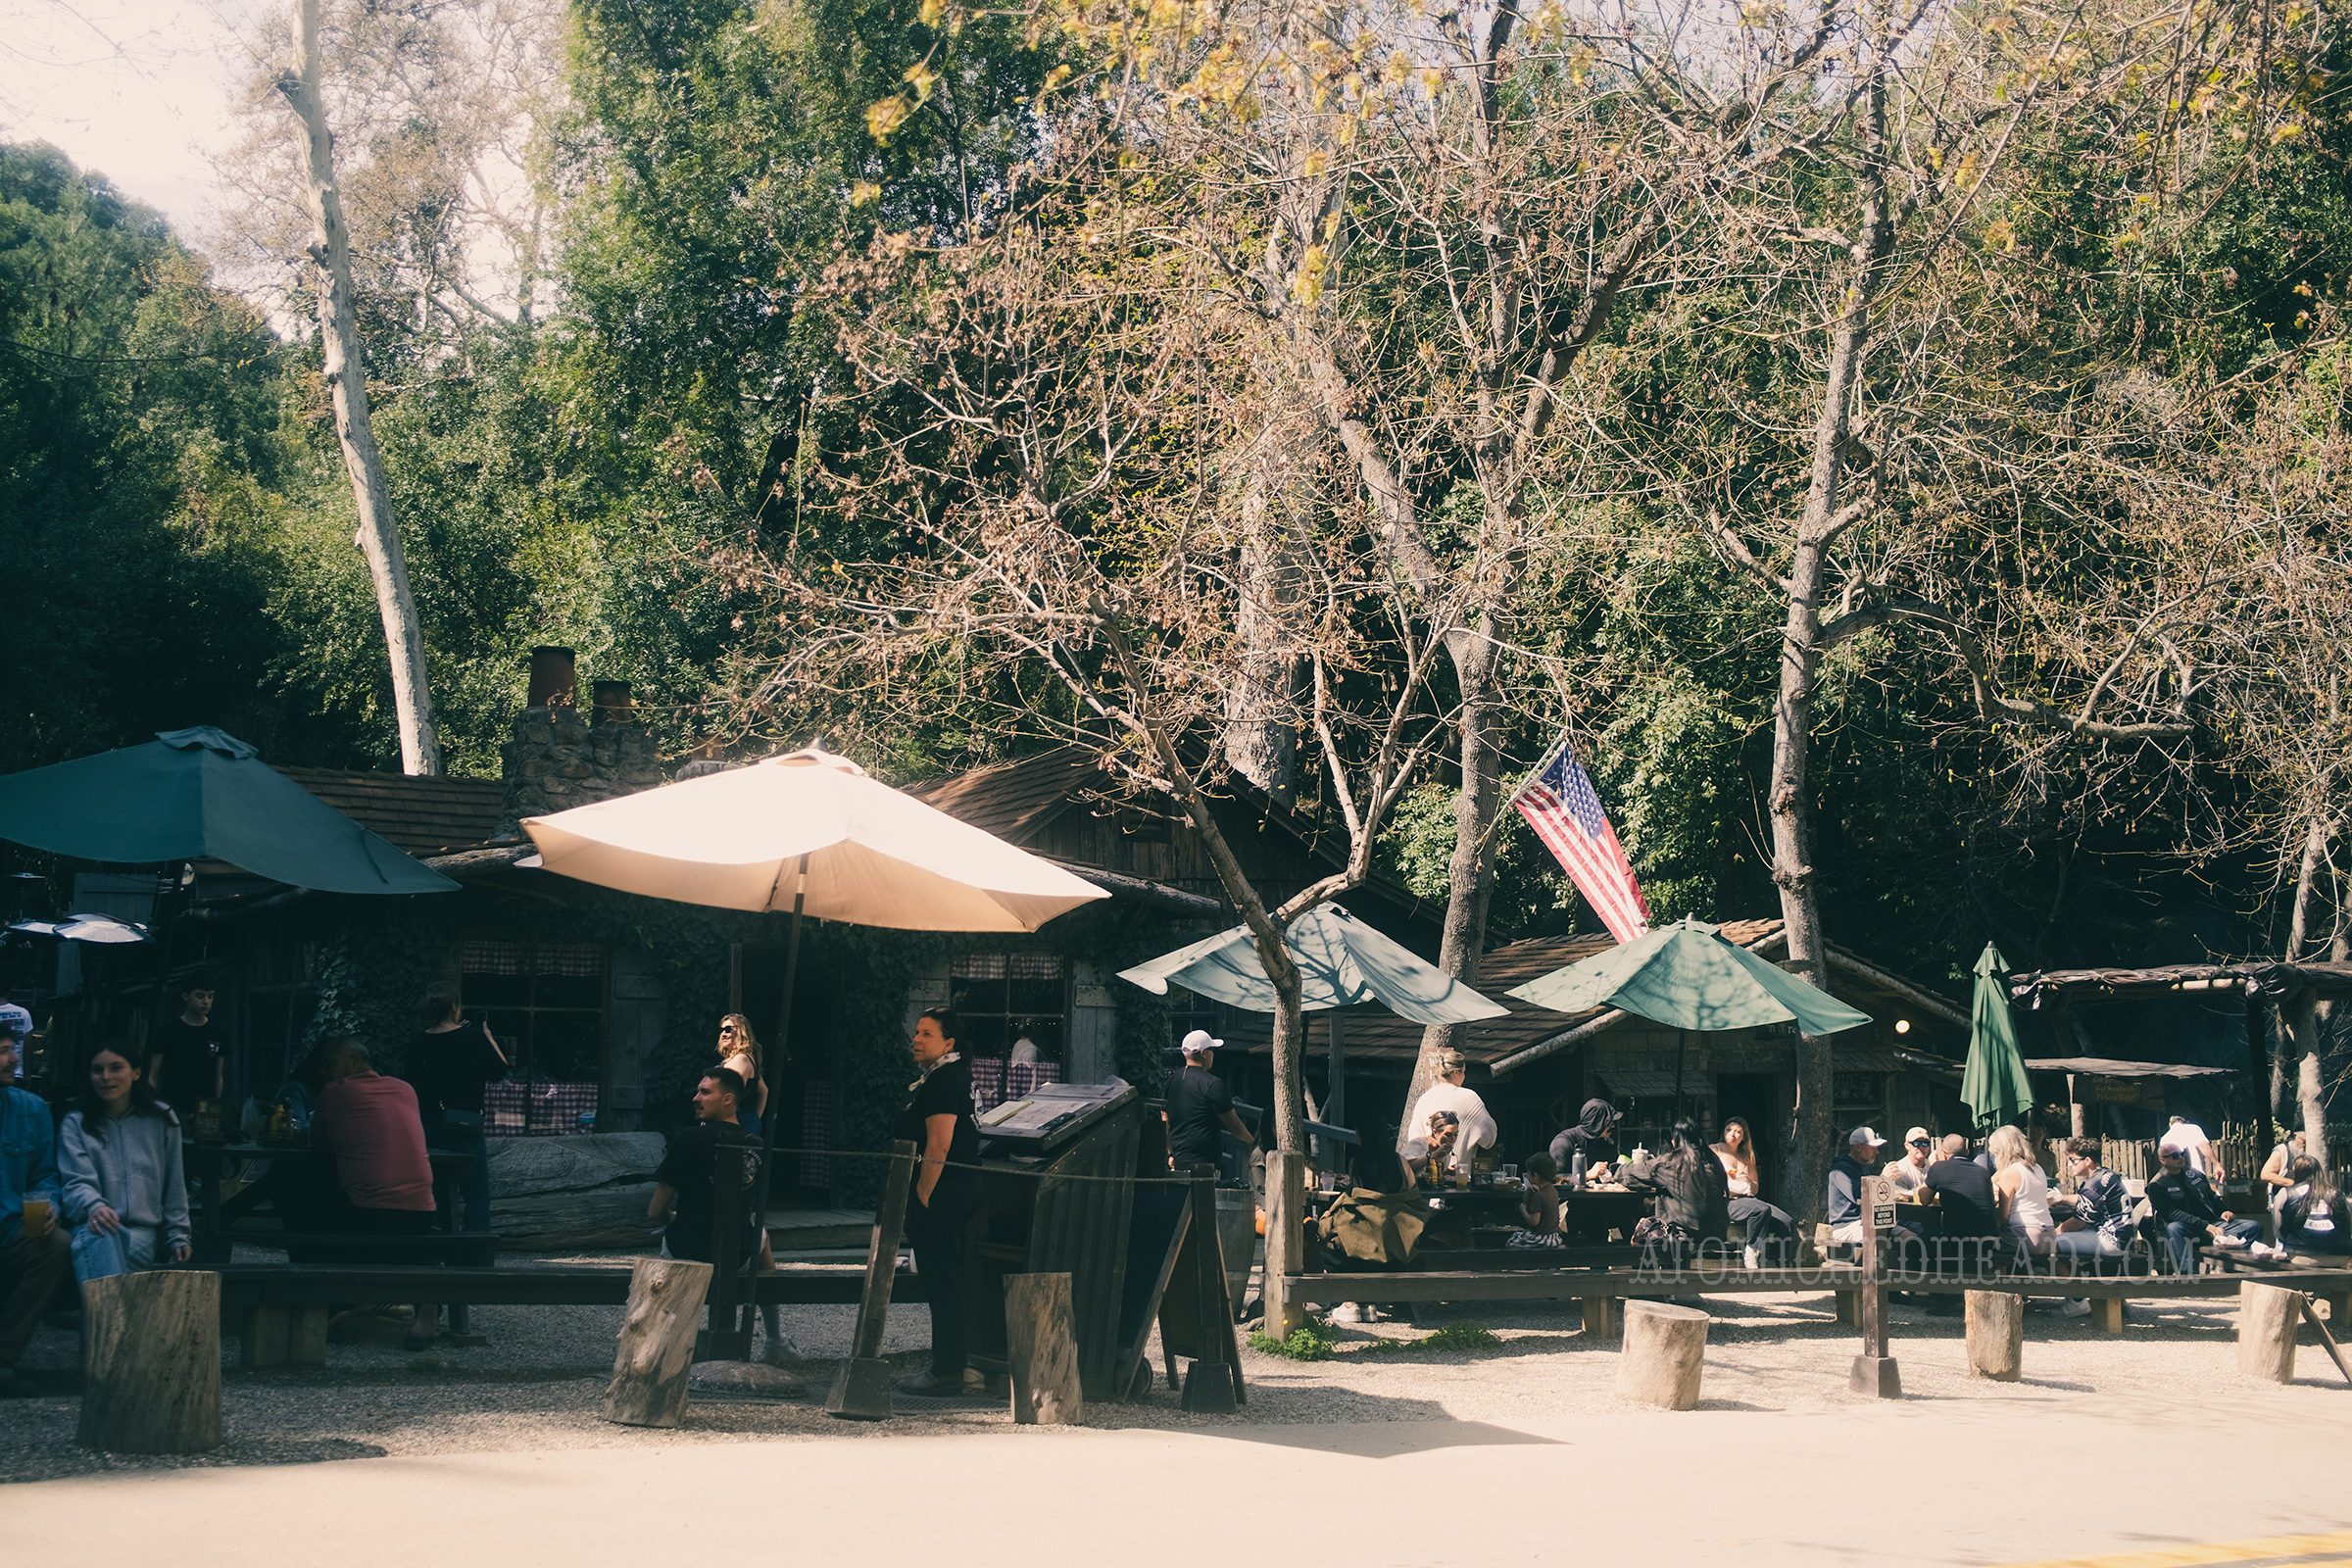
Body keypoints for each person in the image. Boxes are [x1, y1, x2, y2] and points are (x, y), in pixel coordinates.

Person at [310, 1038, 440, 1348]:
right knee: (402, 1232)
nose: (322, 1071)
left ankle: (333, 1303)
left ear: (354, 1062)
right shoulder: (405, 1089)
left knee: (309, 1206)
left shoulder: (334, 1092)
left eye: (329, 1063)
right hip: (423, 1209)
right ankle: (426, 1309)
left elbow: (318, 1147)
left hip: (367, 1212)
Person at [409, 988, 508, 1340]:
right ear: (454, 1007)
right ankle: (474, 1260)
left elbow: (410, 1083)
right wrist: (488, 1037)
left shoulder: (418, 1042)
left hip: (430, 1128)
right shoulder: (471, 1037)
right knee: (477, 1194)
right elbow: (500, 1071)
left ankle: (434, 1260)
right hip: (465, 1126)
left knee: (430, 1195)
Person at [894, 1009, 984, 1395]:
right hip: (955, 1188)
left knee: (942, 1280)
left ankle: (947, 1370)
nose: (917, 1039)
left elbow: (939, 1143)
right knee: (944, 1278)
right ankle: (951, 1364)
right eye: (916, 1032)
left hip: (944, 1191)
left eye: (927, 1034)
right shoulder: (945, 1076)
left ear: (948, 1043)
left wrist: (923, 1196)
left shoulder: (945, 1079)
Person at [58, 1043, 191, 1284]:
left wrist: (178, 1235)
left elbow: (175, 1181)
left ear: (136, 1073)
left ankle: (100, 1318)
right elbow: (75, 1181)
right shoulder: (76, 1123)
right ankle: (112, 1321)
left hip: (139, 1232)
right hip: (88, 1225)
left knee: (96, 1250)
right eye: (97, 1070)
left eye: (116, 1068)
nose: (106, 1077)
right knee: (99, 1236)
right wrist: (94, 1207)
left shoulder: (162, 1119)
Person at [0, 1029, 70, 1396]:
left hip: (11, 1230)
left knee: (56, 1243)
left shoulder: (33, 1109)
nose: (14, 1058)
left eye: (12, 1050)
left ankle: (3, 1360)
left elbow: (45, 1174)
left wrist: (50, 1206)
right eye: (2, 1052)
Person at [2144, 1142, 2257, 1273]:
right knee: (2173, 1228)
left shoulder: (2194, 1174)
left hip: (2212, 1223)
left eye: (2182, 1154)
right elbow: (2171, 1214)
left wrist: (2223, 1210)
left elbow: (2212, 1196)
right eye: (2175, 1156)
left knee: (2253, 1227)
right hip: (2189, 1229)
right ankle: (2189, 1274)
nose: (2181, 1158)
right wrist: (2204, 1225)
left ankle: (2235, 1268)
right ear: (2163, 1160)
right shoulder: (2157, 1184)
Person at [2049, 1138, 2132, 1314]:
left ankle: (2077, 1301)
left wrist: (2052, 1233)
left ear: (2087, 1161)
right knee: (2063, 1245)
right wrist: (2061, 1198)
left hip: (2110, 1240)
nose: (2070, 1164)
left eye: (2073, 1160)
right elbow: (2084, 1200)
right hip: (2120, 1236)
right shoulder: (2105, 1175)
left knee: (2050, 1244)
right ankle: (2080, 1294)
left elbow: (2077, 1223)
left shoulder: (2092, 1185)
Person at [1622, 1117, 1731, 1250]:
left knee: (1644, 1228)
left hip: (1686, 1234)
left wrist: (1612, 1169)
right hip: (1718, 1232)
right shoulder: (1714, 1161)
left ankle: (1647, 1269)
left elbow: (1630, 1173)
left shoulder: (1672, 1163)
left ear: (1674, 1142)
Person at [1164, 1030, 1254, 1176]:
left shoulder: (1171, 1082)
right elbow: (1233, 1124)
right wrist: (1252, 1142)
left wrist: (1170, 1153)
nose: (1214, 1055)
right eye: (1212, 1050)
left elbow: (1165, 1120)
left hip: (1178, 1160)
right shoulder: (1213, 1084)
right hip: (1205, 1163)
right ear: (1204, 1053)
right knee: (1203, 1199)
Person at [1401, 1048, 1498, 1182]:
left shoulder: (1425, 1098)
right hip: (1460, 1177)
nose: (1464, 1077)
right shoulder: (1469, 1097)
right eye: (1463, 1072)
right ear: (1456, 1072)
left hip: (1426, 1179)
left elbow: (1414, 1138)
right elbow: (1489, 1138)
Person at [1713, 1116, 1793, 1267]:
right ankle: (1752, 1249)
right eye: (1729, 1130)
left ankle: (1781, 1264)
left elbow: (1754, 1188)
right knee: (1760, 1209)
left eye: (1738, 1132)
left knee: (1786, 1221)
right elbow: (1711, 1181)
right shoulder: (1714, 1150)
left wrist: (1741, 1181)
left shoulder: (1747, 1156)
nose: (1732, 1134)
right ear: (1723, 1131)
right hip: (1726, 1201)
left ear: (1744, 1137)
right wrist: (1732, 1181)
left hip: (1748, 1200)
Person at [152, 972, 227, 1102]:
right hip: (173, 1108)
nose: (206, 1002)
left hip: (204, 1111)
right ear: (185, 996)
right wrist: (159, 1107)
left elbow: (218, 1076)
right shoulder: (167, 1032)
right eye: (200, 996)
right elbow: (152, 1075)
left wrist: (215, 1108)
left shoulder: (220, 1033)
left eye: (210, 996)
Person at [1988, 1124, 2058, 1259]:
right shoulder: (2037, 1168)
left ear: (2002, 1151)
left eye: (1996, 1153)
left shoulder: (2010, 1172)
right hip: (2049, 1234)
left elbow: (2003, 1215)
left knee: (1986, 1250)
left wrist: (1989, 1229)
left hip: (2025, 1235)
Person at [1924, 1133, 2001, 1239]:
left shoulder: (1938, 1168)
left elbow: (1924, 1199)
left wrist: (1934, 1167)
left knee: (1908, 1246)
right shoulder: (1982, 1171)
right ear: (1967, 1152)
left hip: (1956, 1238)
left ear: (1944, 1154)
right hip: (1987, 1240)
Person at [2277, 1158, 2350, 1255]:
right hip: (2339, 1253)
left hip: (2301, 1253)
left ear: (2297, 1172)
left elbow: (2278, 1227)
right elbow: (2348, 1225)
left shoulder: (2286, 1193)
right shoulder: (2336, 1193)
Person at [713, 1014, 767, 1137]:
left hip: (735, 1121)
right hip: (741, 1119)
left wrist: (750, 1118)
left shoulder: (741, 1059)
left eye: (728, 1029)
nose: (723, 1034)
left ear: (741, 1030)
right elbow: (764, 1091)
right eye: (721, 1030)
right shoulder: (740, 1058)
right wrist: (754, 1118)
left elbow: (731, 1093)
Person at [1549, 1099, 1621, 1183]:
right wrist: (1587, 1175)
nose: (1613, 1126)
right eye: (1609, 1122)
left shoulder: (1607, 1144)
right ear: (1597, 1122)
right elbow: (1555, 1180)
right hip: (1570, 1195)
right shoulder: (1564, 1142)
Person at [1510, 1152, 1564, 1249]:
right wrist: (1529, 1189)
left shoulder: (1538, 1196)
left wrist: (1523, 1211)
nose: (1527, 1176)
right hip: (1553, 1236)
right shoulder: (1553, 1190)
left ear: (1535, 1176)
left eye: (1529, 1174)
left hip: (1541, 1238)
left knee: (1512, 1242)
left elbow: (1534, 1221)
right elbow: (1526, 1200)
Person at [2158, 1115, 2222, 1188]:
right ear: (2184, 1122)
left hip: (2176, 1180)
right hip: (2196, 1176)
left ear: (2170, 1124)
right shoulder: (2193, 1129)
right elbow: (2203, 1145)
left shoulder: (2165, 1138)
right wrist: (2217, 1164)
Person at [2260, 1130, 2309, 1217]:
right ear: (2296, 1136)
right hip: (2282, 1199)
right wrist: (2293, 1184)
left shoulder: (2309, 1151)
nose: (2305, 1145)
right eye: (2304, 1141)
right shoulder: (2281, 1151)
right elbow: (2265, 1174)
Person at [1883, 1127, 1936, 1198]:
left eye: (1925, 1143)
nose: (1921, 1147)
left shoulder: (1932, 1165)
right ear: (1907, 1146)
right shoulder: (1899, 1169)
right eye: (1916, 1143)